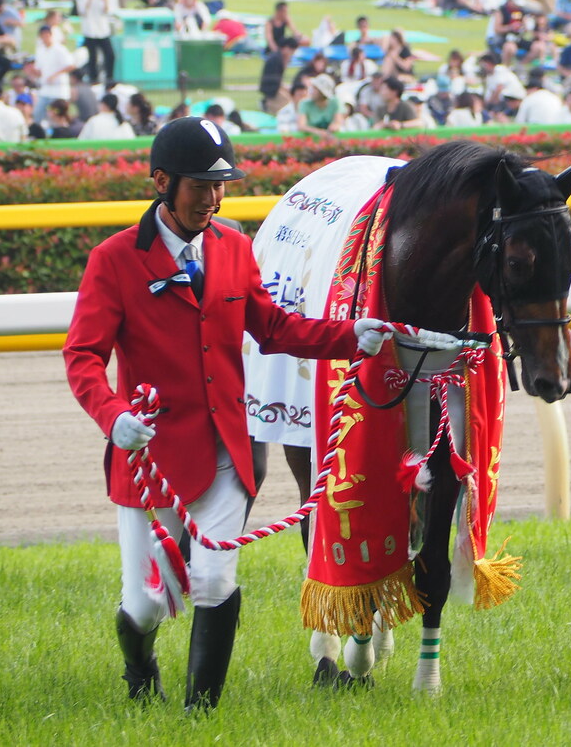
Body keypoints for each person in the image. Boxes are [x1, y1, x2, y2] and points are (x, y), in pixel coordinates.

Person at [62, 117, 390, 711]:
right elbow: (83, 356)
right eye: (198, 186)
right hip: (148, 458)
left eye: (221, 186)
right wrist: (111, 416)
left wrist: (349, 336)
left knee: (214, 580)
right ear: (161, 181)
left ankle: (199, 714)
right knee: (145, 604)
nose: (212, 200)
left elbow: (272, 326)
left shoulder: (236, 248)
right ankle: (140, 669)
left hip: (224, 455)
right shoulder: (112, 260)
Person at [32, 24, 76, 126]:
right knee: (38, 113)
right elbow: (39, 70)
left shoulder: (60, 49)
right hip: (45, 89)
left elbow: (71, 65)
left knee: (59, 115)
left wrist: (55, 75)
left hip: (58, 90)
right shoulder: (40, 50)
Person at [78, 0, 117, 83]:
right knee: (93, 57)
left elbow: (108, 11)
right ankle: (93, 79)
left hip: (103, 30)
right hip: (90, 31)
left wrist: (105, 0)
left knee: (110, 55)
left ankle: (109, 77)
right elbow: (82, 11)